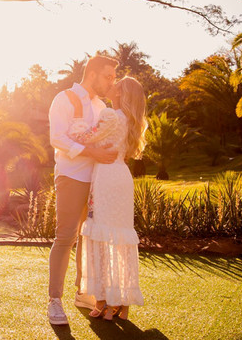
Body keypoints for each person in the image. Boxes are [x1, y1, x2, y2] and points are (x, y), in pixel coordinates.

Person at [46, 55, 119, 325]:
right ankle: (55, 301)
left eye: (113, 77)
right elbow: (57, 138)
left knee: (88, 237)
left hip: (98, 179)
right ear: (92, 74)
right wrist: (92, 152)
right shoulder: (63, 98)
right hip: (71, 176)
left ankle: (82, 292)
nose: (112, 82)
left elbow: (108, 139)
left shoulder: (102, 106)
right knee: (66, 236)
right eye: (108, 76)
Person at [73, 76, 148, 321]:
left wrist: (73, 128)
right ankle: (121, 306)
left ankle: (104, 301)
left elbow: (84, 139)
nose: (111, 85)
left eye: (117, 84)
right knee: (119, 238)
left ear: (121, 93)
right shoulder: (131, 121)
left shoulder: (109, 115)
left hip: (105, 178)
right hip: (122, 178)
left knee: (102, 237)